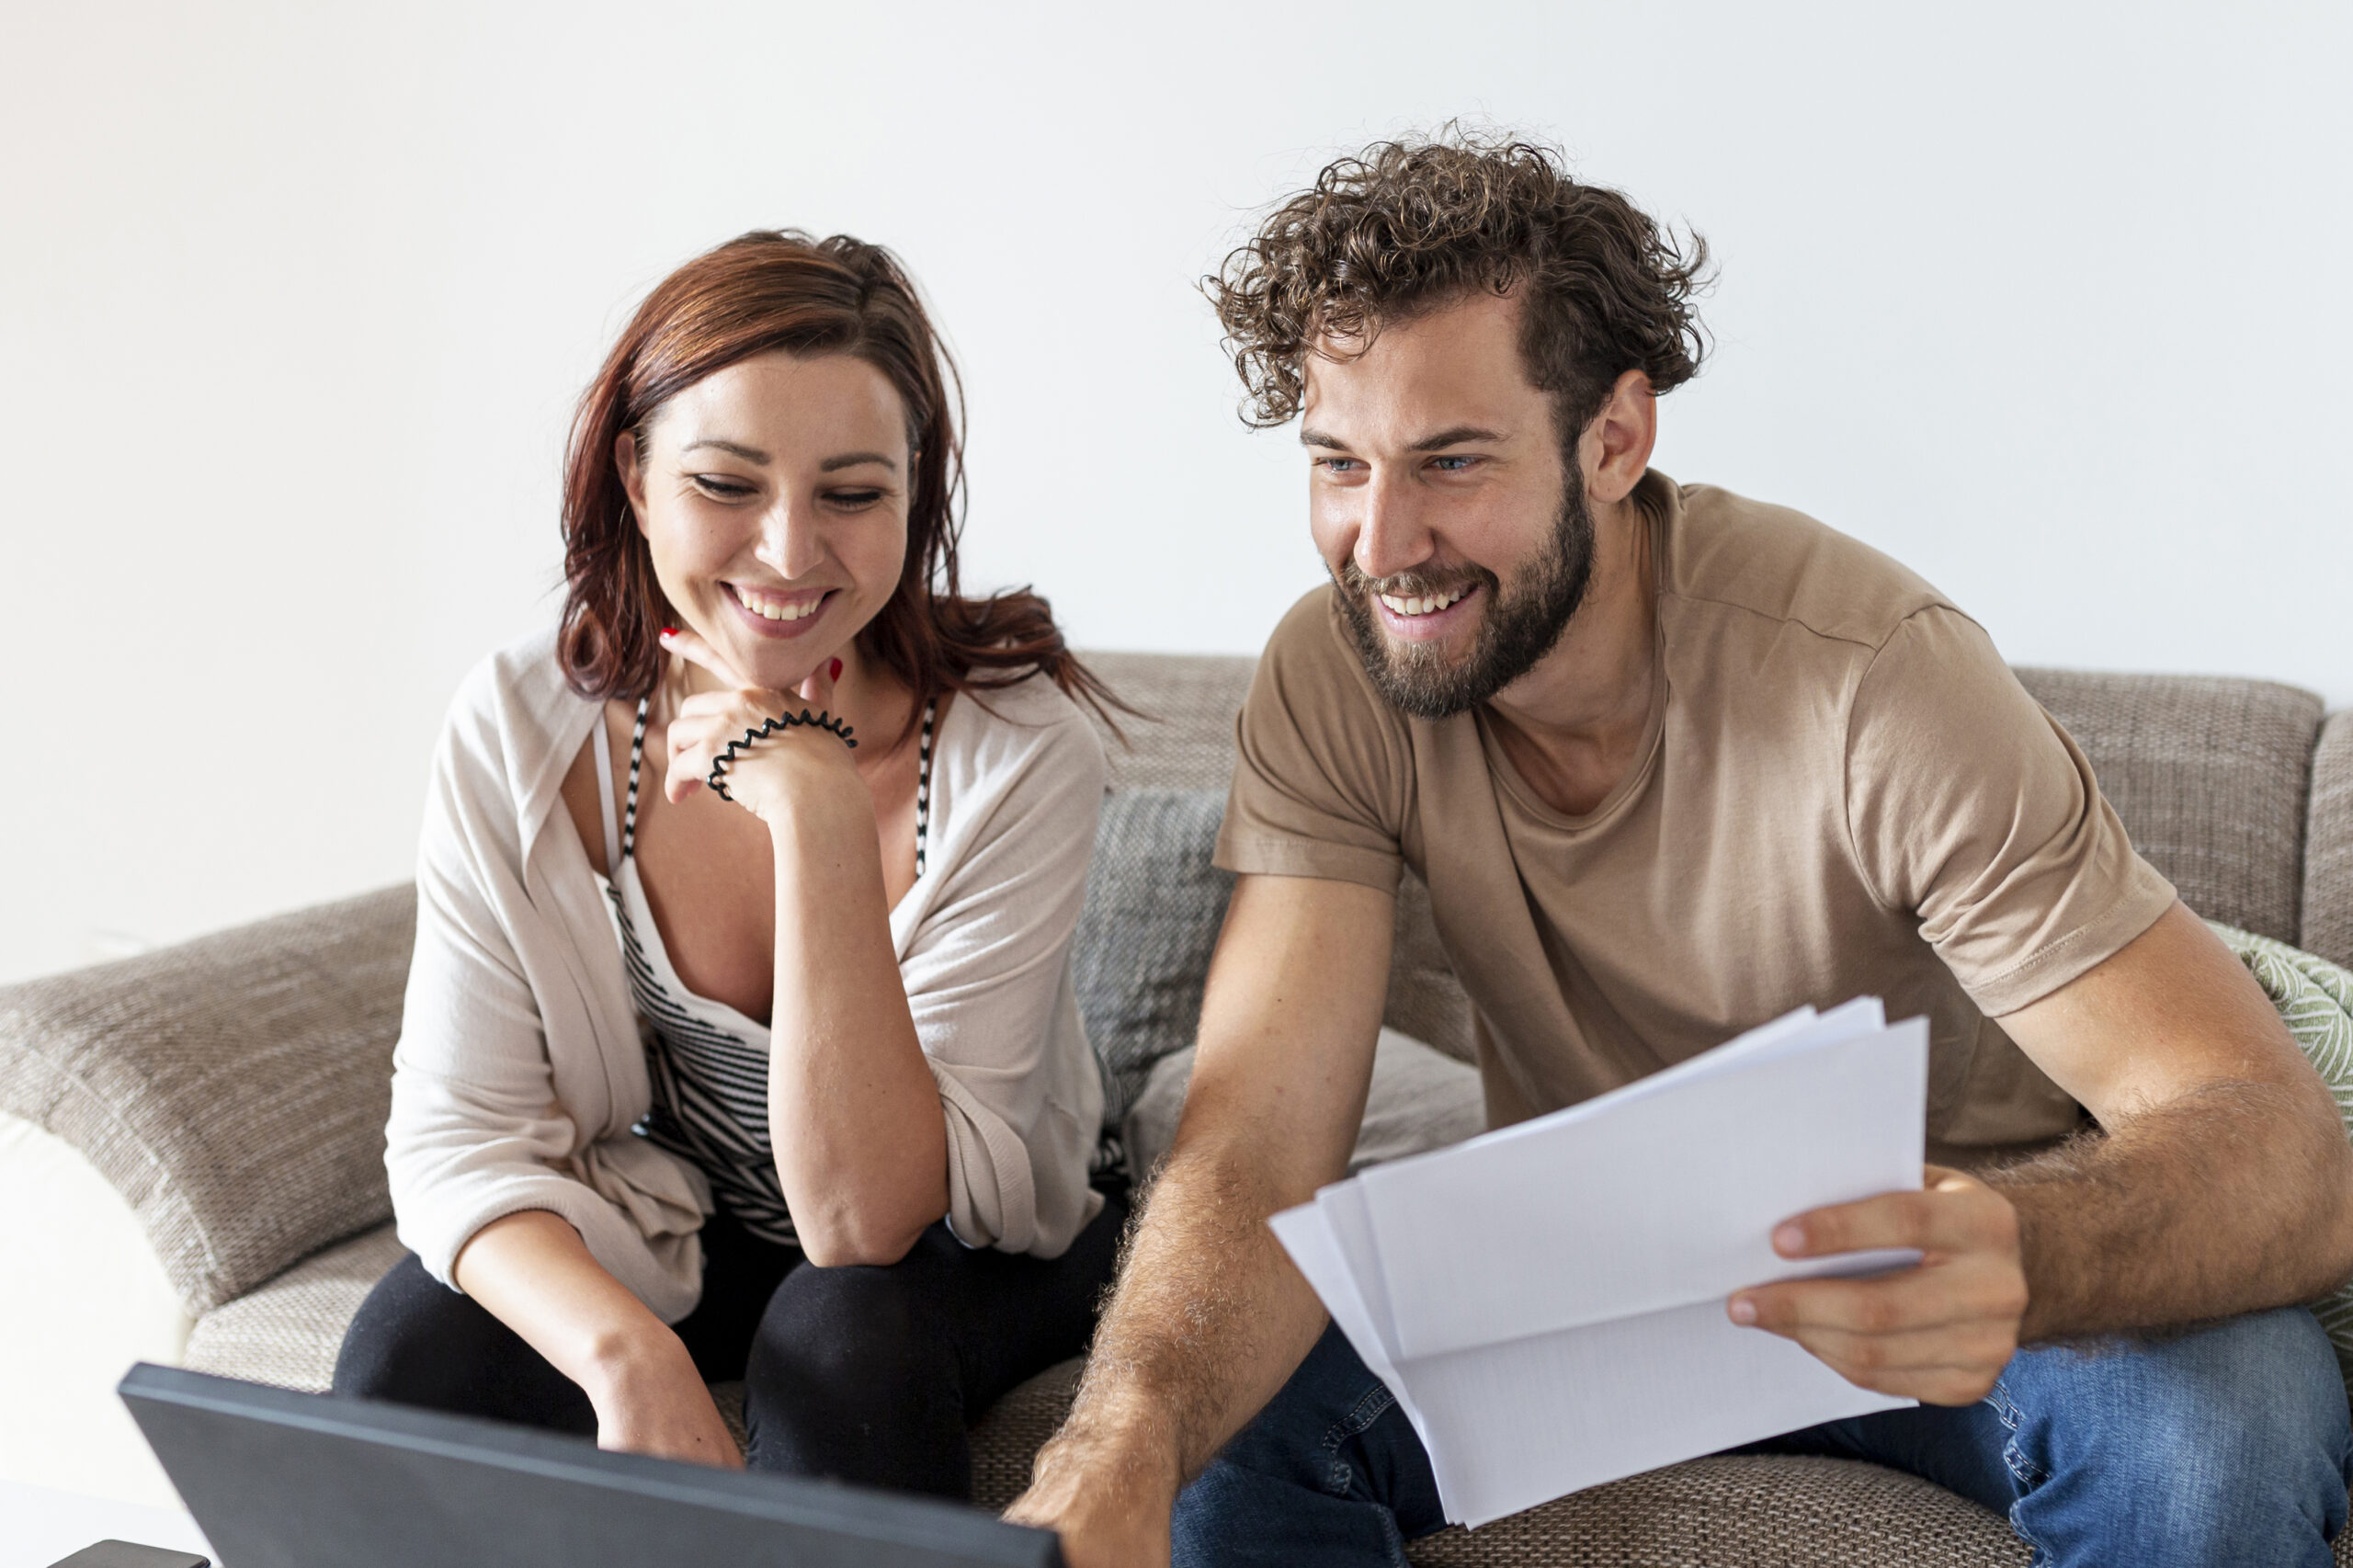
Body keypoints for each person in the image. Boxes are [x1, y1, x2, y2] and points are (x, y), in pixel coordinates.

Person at [1007, 134, 2353, 1567]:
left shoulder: (1872, 680)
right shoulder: (1339, 673)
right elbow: (1262, 1133)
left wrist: (2023, 1252)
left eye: (1451, 461)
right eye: (1339, 463)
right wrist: (1117, 1437)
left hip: (1942, 1272)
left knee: (2226, 1434)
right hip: (1599, 1271)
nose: (1380, 540)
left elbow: (2283, 1150)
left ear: (1616, 438)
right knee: (1213, 1442)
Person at [333, 229, 1125, 1502]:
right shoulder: (526, 726)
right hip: (691, 1214)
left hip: (962, 1233)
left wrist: (812, 810)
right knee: (412, 1344)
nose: (789, 550)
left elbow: (867, 1222)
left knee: (838, 1343)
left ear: (916, 500)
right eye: (728, 483)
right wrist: (625, 1353)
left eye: (854, 493)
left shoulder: (1019, 754)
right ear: (635, 477)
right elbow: (456, 1142)